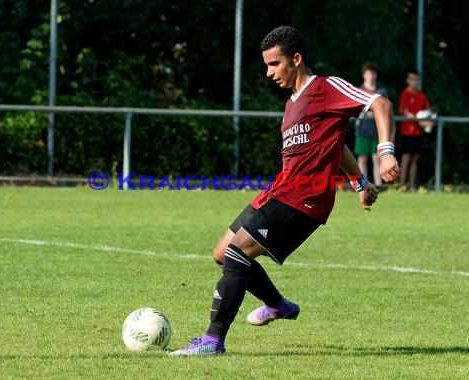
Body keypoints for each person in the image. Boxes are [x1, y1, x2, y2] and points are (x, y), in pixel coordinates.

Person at [170, 25, 399, 356]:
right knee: (223, 253)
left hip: (305, 197)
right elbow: (337, 144)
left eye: (274, 64)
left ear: (296, 58)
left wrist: (385, 151)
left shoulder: (325, 87)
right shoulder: (292, 103)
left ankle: (212, 341)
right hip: (280, 189)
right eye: (266, 65)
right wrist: (358, 181)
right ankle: (279, 305)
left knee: (238, 253)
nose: (269, 73)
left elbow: (381, 103)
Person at [354, 62, 388, 188]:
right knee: (362, 158)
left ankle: (378, 184)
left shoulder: (381, 92)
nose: (371, 76)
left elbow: (385, 109)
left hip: (377, 129)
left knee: (376, 158)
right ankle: (363, 184)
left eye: (373, 73)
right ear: (364, 75)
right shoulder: (358, 90)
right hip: (362, 129)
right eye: (368, 73)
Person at [398, 69, 432, 191]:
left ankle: (411, 186)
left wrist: (428, 121)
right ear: (407, 80)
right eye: (411, 79)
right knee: (406, 157)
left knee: (415, 159)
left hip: (418, 132)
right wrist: (419, 119)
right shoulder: (405, 94)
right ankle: (401, 186)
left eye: (416, 79)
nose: (414, 81)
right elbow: (405, 112)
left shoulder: (422, 96)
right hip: (407, 131)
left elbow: (428, 112)